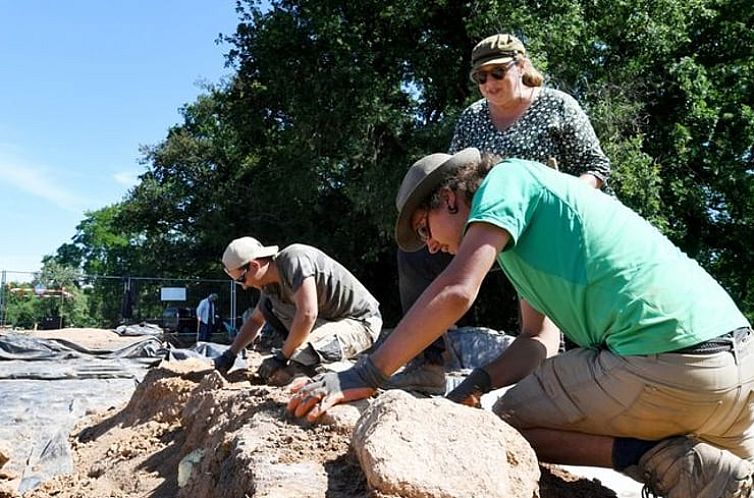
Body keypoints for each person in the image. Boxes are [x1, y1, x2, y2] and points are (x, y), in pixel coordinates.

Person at [288, 149, 754, 498]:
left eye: (425, 229)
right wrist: (475, 383)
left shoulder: (507, 180)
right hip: (736, 371)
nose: (429, 247)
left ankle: (662, 461)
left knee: (506, 423)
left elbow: (456, 292)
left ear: (449, 198)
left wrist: (367, 373)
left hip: (671, 366)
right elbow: (537, 342)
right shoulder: (530, 234)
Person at [391, 33, 612, 394]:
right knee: (416, 253)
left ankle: (561, 380)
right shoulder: (473, 118)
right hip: (488, 227)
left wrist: (557, 202)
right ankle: (429, 363)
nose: (488, 84)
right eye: (480, 78)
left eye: (496, 73)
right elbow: (451, 182)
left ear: (522, 66)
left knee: (546, 313)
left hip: (551, 229)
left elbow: (596, 166)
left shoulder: (559, 106)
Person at [214, 236, 383, 385]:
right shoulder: (270, 288)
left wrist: (281, 357)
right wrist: (230, 354)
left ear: (254, 265)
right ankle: (320, 357)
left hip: (361, 321)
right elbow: (255, 320)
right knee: (269, 311)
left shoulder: (294, 259)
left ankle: (355, 373)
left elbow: (308, 313)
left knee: (302, 357)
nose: (243, 286)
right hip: (331, 322)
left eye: (241, 279)